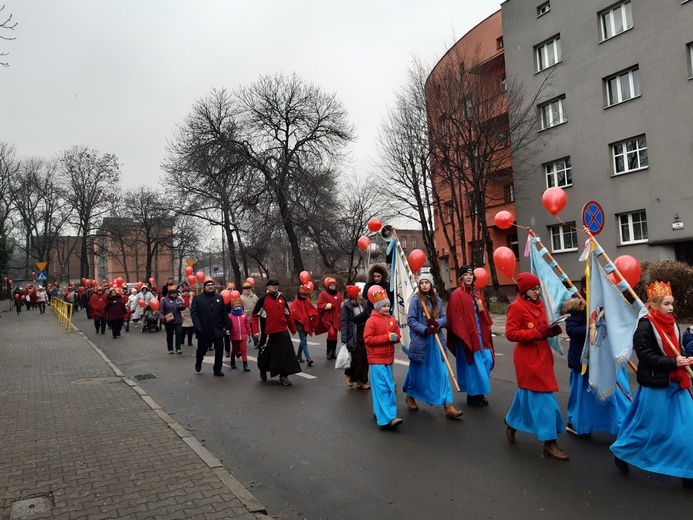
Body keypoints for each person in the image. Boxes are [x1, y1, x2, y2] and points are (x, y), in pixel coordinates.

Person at [610, 281, 693, 488]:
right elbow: (645, 356)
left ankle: (688, 472)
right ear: (653, 305)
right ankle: (623, 452)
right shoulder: (645, 325)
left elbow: (677, 349)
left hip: (676, 383)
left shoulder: (672, 323)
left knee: (687, 428)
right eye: (666, 304)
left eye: (672, 303)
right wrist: (674, 362)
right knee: (651, 430)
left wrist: (684, 359)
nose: (671, 308)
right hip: (656, 385)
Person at [504, 272, 568, 461]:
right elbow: (511, 334)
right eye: (533, 289)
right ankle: (550, 443)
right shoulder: (516, 307)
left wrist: (552, 329)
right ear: (524, 291)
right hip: (528, 359)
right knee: (546, 401)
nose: (537, 292)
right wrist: (539, 333)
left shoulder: (538, 304)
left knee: (526, 394)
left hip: (542, 356)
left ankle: (512, 421)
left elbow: (543, 327)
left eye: (537, 288)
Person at [562, 277, 631, 437]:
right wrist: (593, 326)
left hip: (607, 358)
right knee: (583, 397)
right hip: (584, 359)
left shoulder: (608, 304)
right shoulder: (578, 305)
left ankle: (622, 423)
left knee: (615, 391)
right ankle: (577, 423)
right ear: (585, 290)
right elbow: (572, 330)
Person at [403, 273, 463, 419]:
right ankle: (410, 395)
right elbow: (411, 320)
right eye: (422, 282)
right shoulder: (416, 301)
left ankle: (448, 405)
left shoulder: (437, 300)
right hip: (422, 343)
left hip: (436, 343)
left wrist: (437, 324)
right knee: (418, 373)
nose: (424, 285)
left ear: (431, 284)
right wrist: (425, 329)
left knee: (442, 372)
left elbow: (444, 318)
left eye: (427, 282)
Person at [446, 266, 495, 407]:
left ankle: (479, 392)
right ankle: (474, 396)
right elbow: (454, 318)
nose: (469, 277)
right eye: (466, 275)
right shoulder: (456, 295)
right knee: (474, 366)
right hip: (468, 336)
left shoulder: (477, 293)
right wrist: (463, 335)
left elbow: (483, 314)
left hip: (480, 334)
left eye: (471, 275)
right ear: (461, 277)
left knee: (486, 361)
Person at [364, 287, 403, 430]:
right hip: (376, 361)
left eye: (388, 305)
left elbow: (398, 336)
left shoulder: (392, 320)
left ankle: (379, 411)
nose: (387, 308)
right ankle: (388, 418)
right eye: (384, 306)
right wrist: (386, 337)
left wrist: (395, 338)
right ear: (377, 307)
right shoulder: (371, 321)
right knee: (382, 389)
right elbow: (368, 339)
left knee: (390, 387)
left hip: (388, 360)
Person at [251, 278, 301, 386]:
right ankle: (263, 370)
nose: (275, 287)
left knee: (286, 354)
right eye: (272, 285)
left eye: (276, 285)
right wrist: (255, 331)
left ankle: (283, 376)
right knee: (265, 354)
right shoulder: (262, 300)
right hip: (268, 333)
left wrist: (292, 329)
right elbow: (254, 316)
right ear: (268, 287)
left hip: (282, 331)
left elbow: (288, 315)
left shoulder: (282, 299)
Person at [191, 277, 230, 376]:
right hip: (204, 330)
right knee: (201, 350)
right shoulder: (198, 298)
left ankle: (217, 369)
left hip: (217, 329)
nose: (210, 287)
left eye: (212, 285)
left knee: (220, 350)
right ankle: (199, 361)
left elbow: (224, 312)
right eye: (208, 285)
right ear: (204, 287)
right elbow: (194, 314)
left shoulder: (219, 298)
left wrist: (227, 325)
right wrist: (197, 326)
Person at [340, 285, 370, 389]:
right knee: (357, 357)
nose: (361, 293)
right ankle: (349, 374)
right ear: (355, 295)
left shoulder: (364, 303)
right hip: (354, 333)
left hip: (365, 332)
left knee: (365, 358)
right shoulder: (347, 305)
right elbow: (344, 322)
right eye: (359, 292)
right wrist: (344, 338)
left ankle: (362, 381)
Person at [290, 283, 318, 366]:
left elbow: (311, 309)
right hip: (300, 325)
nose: (304, 297)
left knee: (303, 341)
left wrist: (313, 314)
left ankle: (298, 355)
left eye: (306, 295)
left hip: (307, 323)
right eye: (303, 295)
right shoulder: (296, 302)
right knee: (304, 341)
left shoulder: (307, 300)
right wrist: (299, 319)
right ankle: (308, 358)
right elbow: (292, 312)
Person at [317, 277, 343, 360]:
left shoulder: (338, 294)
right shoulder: (323, 294)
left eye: (334, 285)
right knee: (331, 333)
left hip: (336, 318)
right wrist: (328, 306)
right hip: (327, 318)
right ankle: (328, 351)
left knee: (335, 336)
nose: (332, 286)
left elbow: (342, 304)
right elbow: (319, 305)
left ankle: (333, 352)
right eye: (331, 285)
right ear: (328, 286)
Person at [228, 295, 252, 371]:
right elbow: (228, 325)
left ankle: (245, 364)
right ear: (232, 307)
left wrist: (250, 334)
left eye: (239, 306)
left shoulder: (244, 315)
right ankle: (232, 361)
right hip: (234, 336)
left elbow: (247, 325)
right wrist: (227, 330)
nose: (237, 307)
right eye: (235, 306)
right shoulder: (230, 316)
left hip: (243, 336)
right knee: (234, 349)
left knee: (243, 349)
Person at [160, 287, 186, 355]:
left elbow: (184, 307)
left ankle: (178, 348)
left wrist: (181, 307)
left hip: (178, 320)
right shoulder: (164, 300)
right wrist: (162, 317)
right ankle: (170, 348)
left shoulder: (179, 299)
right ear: (169, 294)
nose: (174, 295)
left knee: (179, 333)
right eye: (172, 294)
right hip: (169, 320)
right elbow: (161, 309)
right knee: (169, 335)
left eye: (175, 293)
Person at [241, 280, 259, 348]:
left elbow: (258, 306)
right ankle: (243, 343)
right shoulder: (241, 297)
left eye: (249, 288)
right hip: (245, 317)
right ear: (243, 289)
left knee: (254, 330)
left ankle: (256, 343)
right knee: (244, 331)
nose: (248, 289)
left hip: (253, 317)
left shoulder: (255, 296)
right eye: (246, 288)